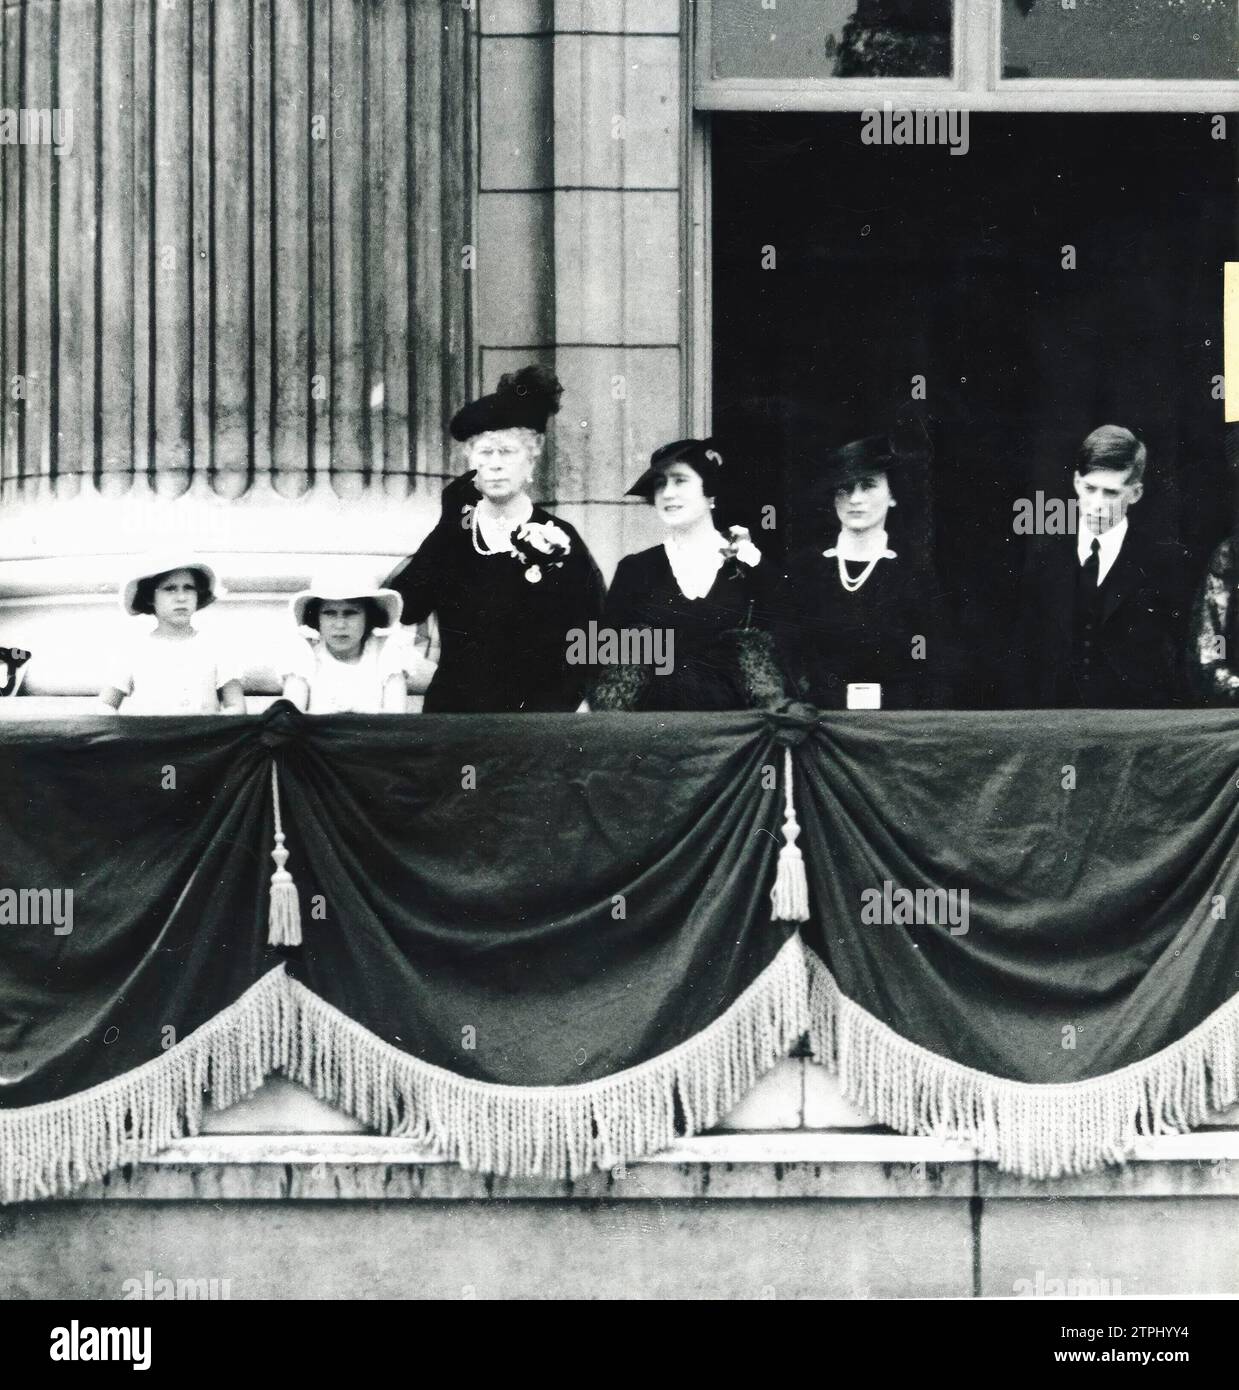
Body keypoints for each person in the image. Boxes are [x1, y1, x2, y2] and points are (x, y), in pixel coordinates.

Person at [385, 365, 604, 713]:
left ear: (531, 461)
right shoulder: (455, 537)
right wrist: (448, 525)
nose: (496, 465)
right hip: (456, 718)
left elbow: (591, 638)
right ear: (470, 462)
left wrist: (560, 706)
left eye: (507, 452)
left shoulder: (561, 539)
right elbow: (406, 606)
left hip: (535, 724)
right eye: (485, 453)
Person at [589, 438, 784, 711]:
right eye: (660, 483)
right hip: (654, 735)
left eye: (680, 481)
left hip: (737, 737)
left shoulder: (751, 568)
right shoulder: (635, 570)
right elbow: (605, 659)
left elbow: (785, 657)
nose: (667, 493)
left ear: (710, 492)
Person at [1011, 425, 1193, 708]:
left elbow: (1179, 666)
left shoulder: (1164, 564)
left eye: (1110, 493)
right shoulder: (1046, 562)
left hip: (1133, 733)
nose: (1096, 504)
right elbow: (1026, 664)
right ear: (1075, 482)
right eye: (1089, 488)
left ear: (1135, 493)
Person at [773, 429, 950, 710]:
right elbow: (787, 656)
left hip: (896, 726)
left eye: (867, 485)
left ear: (892, 495)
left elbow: (937, 665)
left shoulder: (914, 572)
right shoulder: (805, 570)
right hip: (821, 724)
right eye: (845, 487)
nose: (855, 498)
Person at [99, 556, 245, 714]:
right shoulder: (134, 649)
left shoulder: (215, 645)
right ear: (150, 597)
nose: (182, 598)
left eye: (189, 588)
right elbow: (106, 705)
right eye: (170, 589)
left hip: (204, 735)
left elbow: (236, 706)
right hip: (151, 736)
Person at [282, 569, 417, 714]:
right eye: (329, 613)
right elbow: (290, 721)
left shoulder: (387, 653)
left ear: (369, 617)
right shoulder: (304, 655)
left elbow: (396, 721)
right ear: (317, 618)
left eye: (351, 613)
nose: (340, 625)